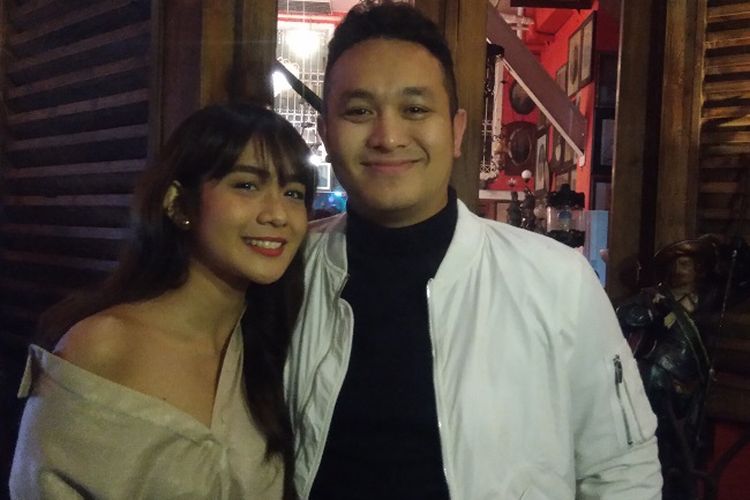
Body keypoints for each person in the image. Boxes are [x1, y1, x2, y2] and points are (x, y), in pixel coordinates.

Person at [285, 2, 662, 499]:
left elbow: (621, 468)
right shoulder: (284, 274)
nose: (388, 136)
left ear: (457, 130)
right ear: (325, 134)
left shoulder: (556, 281)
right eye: (359, 111)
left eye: (415, 109)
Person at [10, 103, 316, 499]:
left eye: (293, 193)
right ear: (178, 204)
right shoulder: (105, 344)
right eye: (246, 185)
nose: (278, 214)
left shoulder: (271, 350)